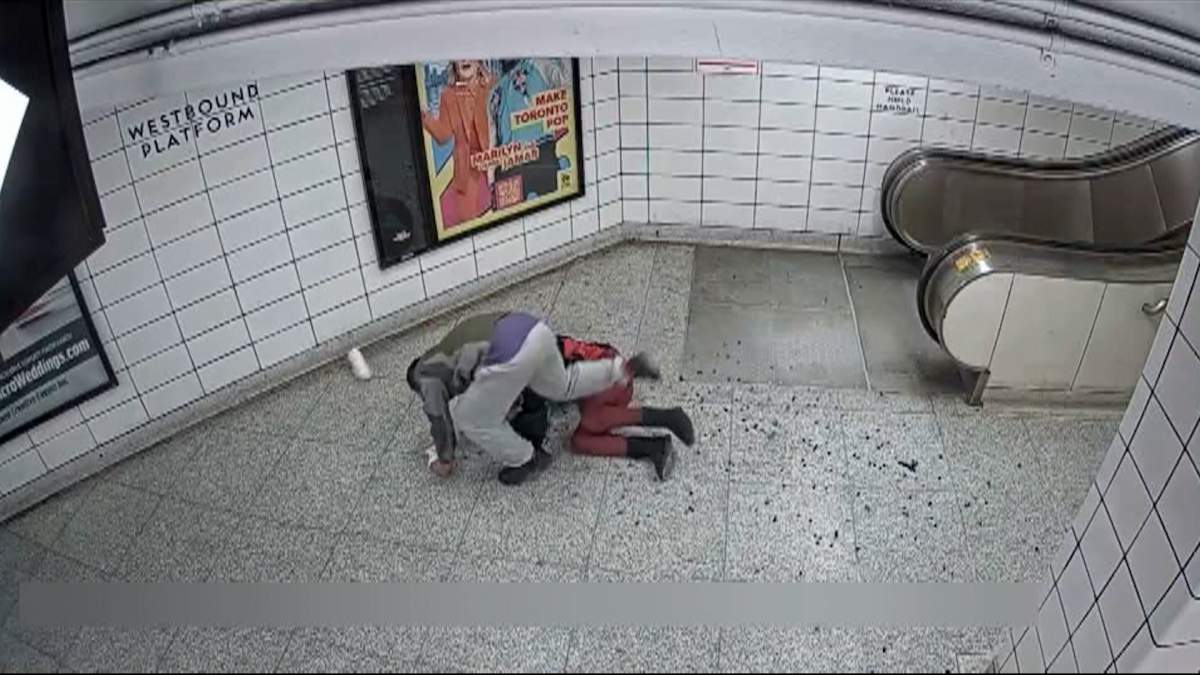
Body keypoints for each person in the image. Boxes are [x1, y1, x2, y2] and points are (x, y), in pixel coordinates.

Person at [407, 311, 660, 486]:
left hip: (509, 354)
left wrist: (444, 459)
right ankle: (621, 369)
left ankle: (526, 459)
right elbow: (486, 383)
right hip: (533, 329)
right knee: (563, 384)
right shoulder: (446, 350)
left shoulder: (424, 376)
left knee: (467, 416)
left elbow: (439, 417)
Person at [558, 335, 695, 481]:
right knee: (578, 442)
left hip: (610, 375)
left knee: (590, 420)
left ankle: (666, 416)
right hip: (598, 400)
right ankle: (653, 447)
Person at [420, 60, 495, 229]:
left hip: (494, 161)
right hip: (466, 171)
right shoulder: (448, 96)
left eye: (469, 55)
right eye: (460, 57)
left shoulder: (490, 85)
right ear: (454, 64)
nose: (465, 59)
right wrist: (424, 116)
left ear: (479, 62)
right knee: (468, 221)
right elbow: (443, 135)